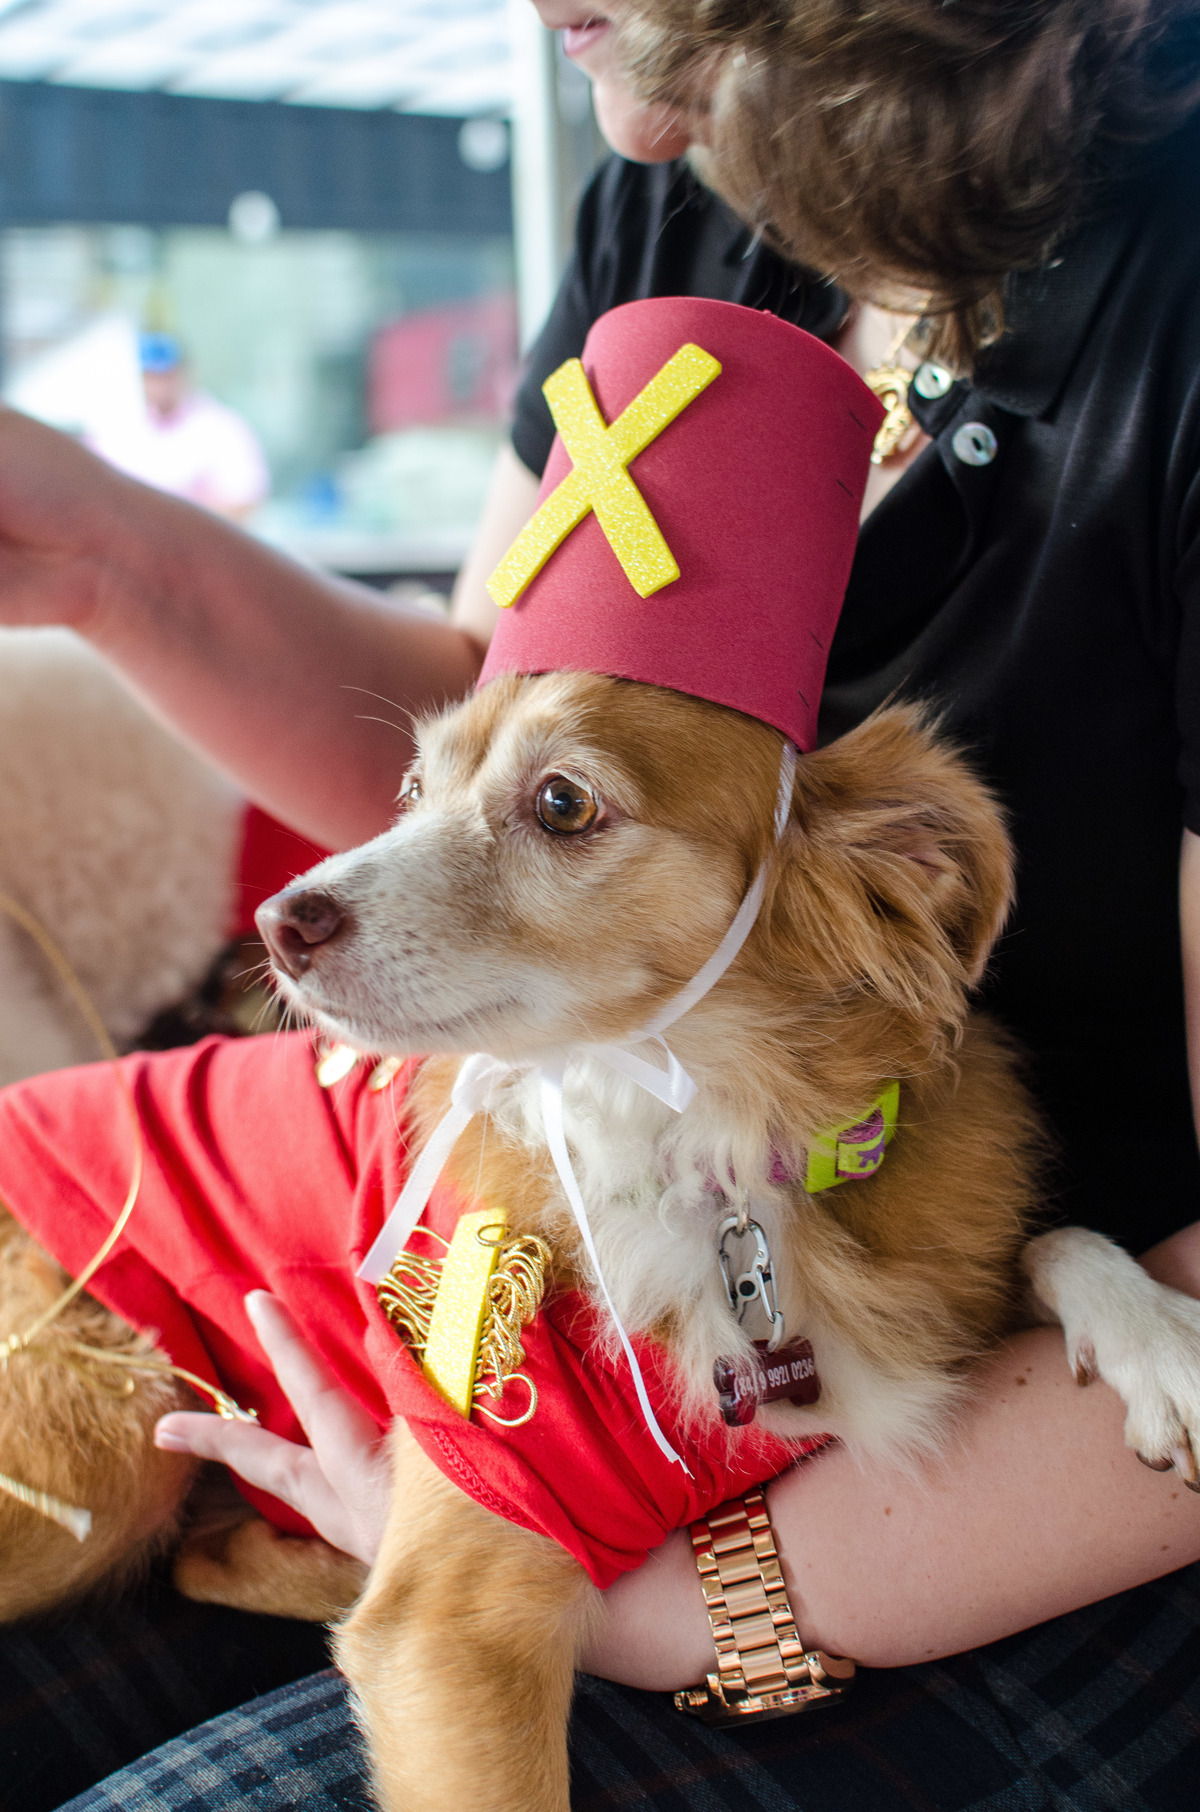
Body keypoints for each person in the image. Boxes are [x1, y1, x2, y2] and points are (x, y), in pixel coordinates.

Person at [3, 2, 1200, 1805]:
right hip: (256, 1341)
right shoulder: (678, 171)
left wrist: (672, 1609)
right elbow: (498, 727)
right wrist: (108, 552)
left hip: (1065, 1493)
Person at [86, 332, 270, 523]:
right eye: (151, 376)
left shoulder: (223, 429)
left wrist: (170, 519)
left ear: (185, 373)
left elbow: (244, 502)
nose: (159, 385)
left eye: (166, 375)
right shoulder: (115, 426)